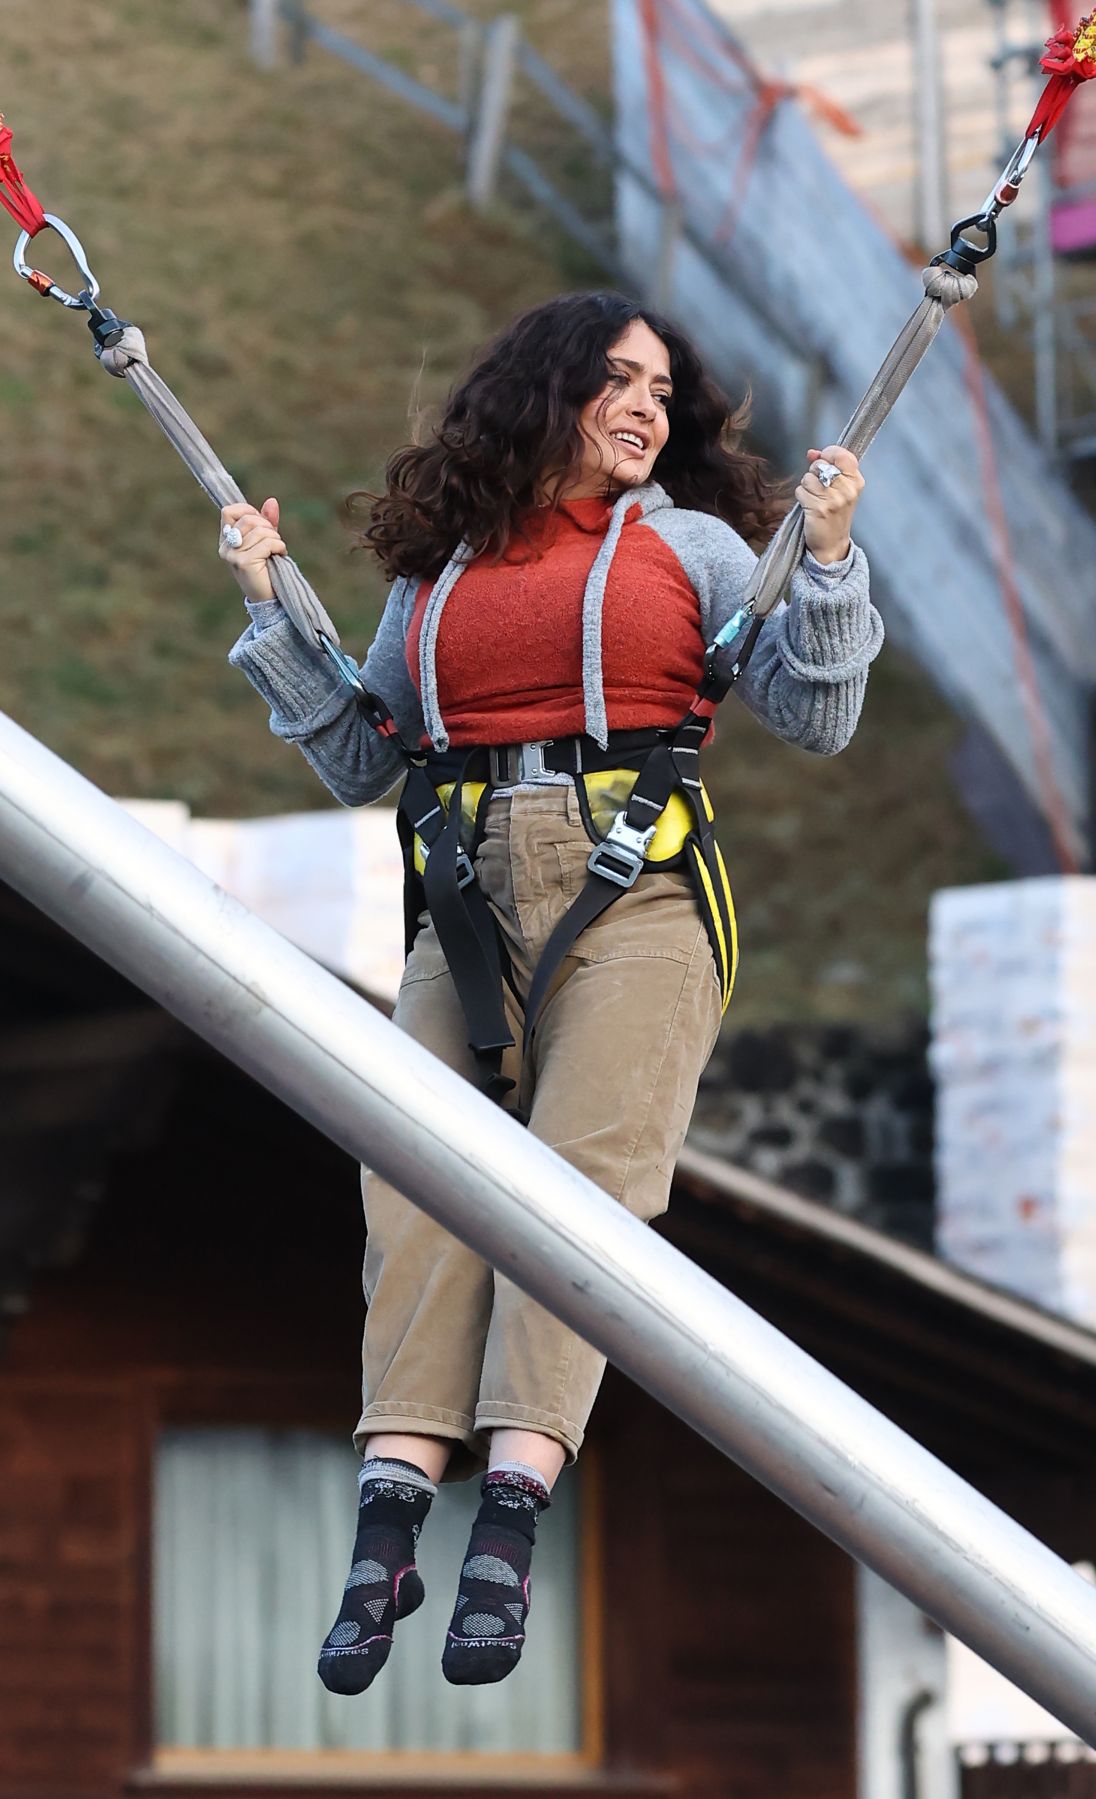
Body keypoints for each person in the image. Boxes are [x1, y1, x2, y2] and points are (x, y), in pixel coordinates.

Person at [222, 290, 882, 1695]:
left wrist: (824, 562)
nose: (649, 407)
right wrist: (272, 603)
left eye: (663, 390)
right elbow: (358, 754)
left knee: (579, 1200)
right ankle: (390, 1522)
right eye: (620, 383)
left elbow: (818, 716)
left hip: (633, 898)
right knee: (412, 1188)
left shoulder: (699, 550)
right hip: (463, 906)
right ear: (546, 392)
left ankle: (508, 1523)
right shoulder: (436, 579)